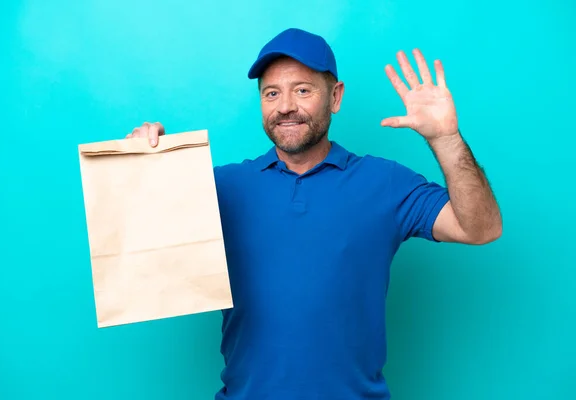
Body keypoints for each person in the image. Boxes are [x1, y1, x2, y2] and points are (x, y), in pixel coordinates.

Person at [126, 28, 502, 400]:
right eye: (271, 93)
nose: (285, 106)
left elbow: (480, 228)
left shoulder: (385, 182)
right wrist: (142, 164)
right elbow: (143, 249)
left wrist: (445, 138)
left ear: (335, 97)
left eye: (302, 90)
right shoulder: (222, 187)